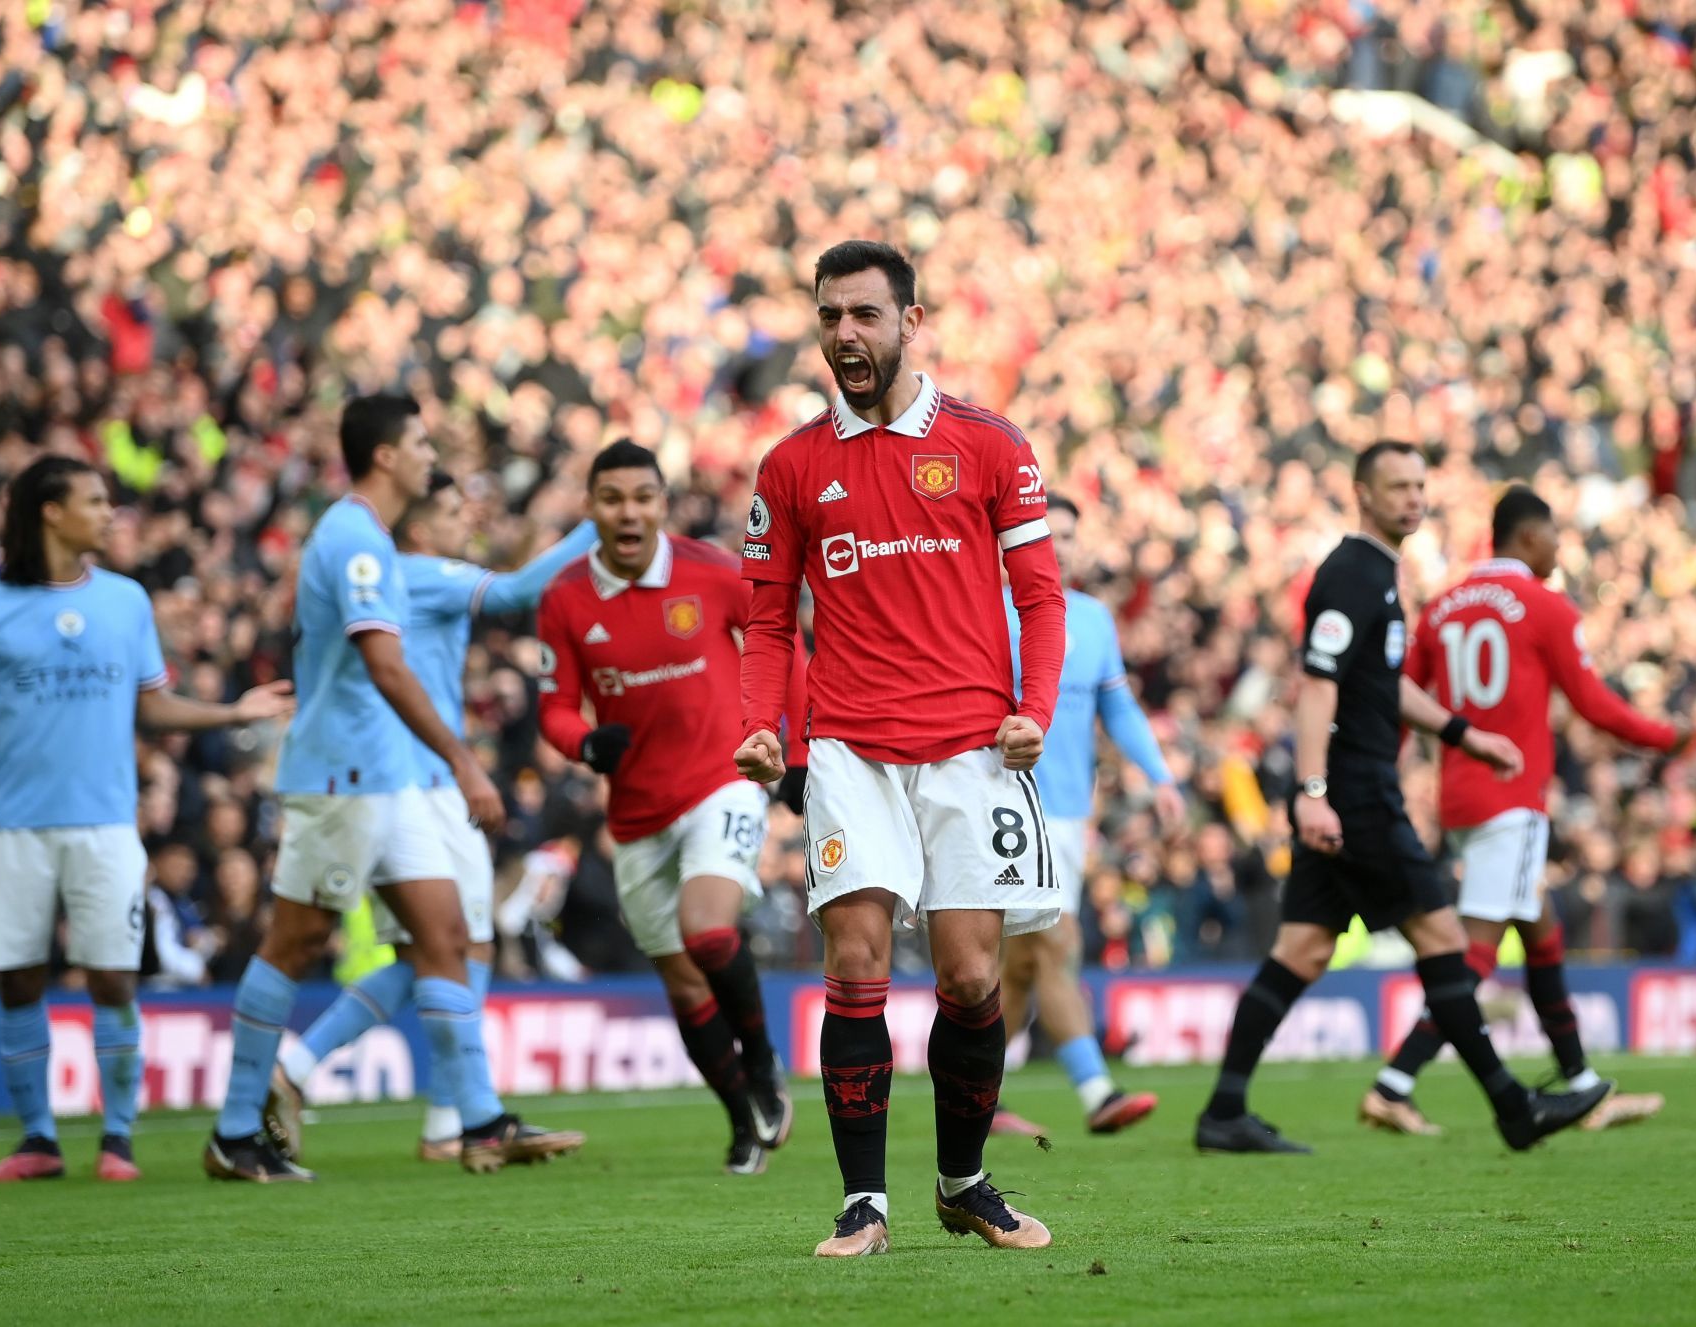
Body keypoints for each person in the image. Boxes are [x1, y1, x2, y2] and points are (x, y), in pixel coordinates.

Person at [736, 240, 1067, 1256]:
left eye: (864, 315)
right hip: (849, 749)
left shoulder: (989, 444)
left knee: (971, 978)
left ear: (910, 322)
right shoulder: (791, 465)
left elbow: (1041, 596)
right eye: (830, 315)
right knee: (856, 960)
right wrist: (764, 722)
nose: (844, 334)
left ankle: (962, 1181)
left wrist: (1035, 709)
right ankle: (862, 1205)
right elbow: (767, 619)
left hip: (972, 747)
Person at [0, 455, 294, 1183]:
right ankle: (39, 1140)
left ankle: (117, 1140)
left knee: (113, 979)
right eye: (94, 500)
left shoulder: (126, 601)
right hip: (13, 826)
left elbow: (151, 704)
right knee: (18, 981)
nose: (109, 512)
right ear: (51, 511)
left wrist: (232, 709)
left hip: (106, 825)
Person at [1192, 443, 1613, 1155]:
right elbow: (1318, 685)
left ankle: (1224, 1110)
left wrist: (1461, 732)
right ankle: (1513, 1106)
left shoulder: (1383, 575)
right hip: (1354, 793)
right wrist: (1313, 792)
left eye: (1420, 486)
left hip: (1351, 790)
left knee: (1303, 946)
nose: (1413, 498)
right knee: (1446, 938)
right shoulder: (1352, 573)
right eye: (1397, 487)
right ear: (1363, 493)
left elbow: (1381, 684)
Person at [204, 393, 581, 1182]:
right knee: (296, 941)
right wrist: (465, 757)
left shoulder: (366, 539)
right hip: (343, 777)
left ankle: (478, 1120)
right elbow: (383, 664)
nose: (425, 451)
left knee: (443, 938)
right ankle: (236, 1127)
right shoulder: (356, 542)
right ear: (384, 455)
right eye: (416, 440)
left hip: (390, 779)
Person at [1362, 486, 1681, 1135]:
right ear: (1528, 538)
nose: (1559, 547)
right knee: (1475, 952)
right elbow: (1593, 701)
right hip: (1511, 795)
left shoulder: (1444, 605)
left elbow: (1403, 697)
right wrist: (1669, 737)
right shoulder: (1545, 606)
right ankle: (1394, 1084)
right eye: (1554, 536)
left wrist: (1384, 770)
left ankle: (1585, 1084)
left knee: (1540, 931)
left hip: (1460, 795)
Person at [538, 439, 807, 1175]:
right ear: (591, 507)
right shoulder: (565, 599)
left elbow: (779, 641)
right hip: (636, 814)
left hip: (722, 778)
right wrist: (586, 744)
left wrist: (797, 750)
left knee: (708, 932)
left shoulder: (712, 572)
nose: (629, 511)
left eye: (643, 496)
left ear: (662, 502)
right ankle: (742, 1121)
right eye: (613, 497)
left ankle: (763, 1067)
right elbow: (554, 706)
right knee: (684, 981)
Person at [995, 493, 1185, 1139]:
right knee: (1054, 944)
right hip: (1003, 811)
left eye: (1069, 535)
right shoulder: (986, 612)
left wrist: (1160, 776)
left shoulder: (1094, 619)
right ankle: (1098, 1089)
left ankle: (977, 1100)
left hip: (1069, 816)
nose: (1061, 546)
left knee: (1020, 963)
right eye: (1047, 534)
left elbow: (1120, 709)